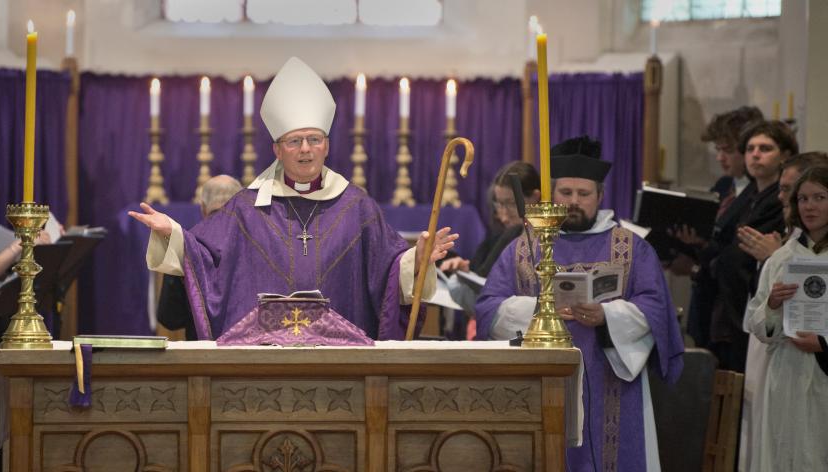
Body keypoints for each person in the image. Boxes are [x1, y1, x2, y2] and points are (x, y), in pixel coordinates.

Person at [130, 57, 456, 340]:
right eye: (294, 141)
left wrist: (416, 261)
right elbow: (206, 255)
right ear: (276, 149)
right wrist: (171, 232)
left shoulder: (358, 207)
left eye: (314, 139)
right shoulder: (246, 208)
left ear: (326, 146)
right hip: (263, 358)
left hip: (341, 360)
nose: (305, 150)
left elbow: (386, 270)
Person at [475, 136, 684, 472]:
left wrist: (607, 315)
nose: (574, 201)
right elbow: (489, 307)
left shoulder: (630, 246)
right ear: (552, 196)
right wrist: (541, 310)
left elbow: (655, 307)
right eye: (565, 193)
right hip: (540, 382)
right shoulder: (525, 245)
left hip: (612, 380)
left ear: (600, 196)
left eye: (583, 194)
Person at [737, 152, 827, 472]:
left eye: (819, 197)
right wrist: (774, 306)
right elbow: (757, 324)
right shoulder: (782, 258)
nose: (809, 206)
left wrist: (824, 343)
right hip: (786, 373)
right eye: (802, 198)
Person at [706, 120, 796, 372]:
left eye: (765, 148)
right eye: (750, 148)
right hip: (728, 306)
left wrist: (772, 256)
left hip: (755, 311)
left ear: (785, 155)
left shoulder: (783, 207)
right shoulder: (747, 198)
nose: (755, 154)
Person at [672, 106, 763, 348]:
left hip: (730, 310)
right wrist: (693, 242)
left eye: (727, 150)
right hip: (706, 302)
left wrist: (693, 267)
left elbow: (735, 255)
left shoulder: (759, 193)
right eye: (718, 149)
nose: (720, 157)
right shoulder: (724, 186)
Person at [438, 161, 540, 338]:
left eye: (510, 204)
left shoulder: (549, 239)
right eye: (499, 204)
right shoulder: (502, 237)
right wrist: (466, 274)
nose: (502, 214)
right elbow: (483, 288)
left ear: (535, 197)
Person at [156, 175, 242, 340]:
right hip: (249, 356)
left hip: (200, 357)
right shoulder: (257, 244)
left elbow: (170, 319)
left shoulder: (185, 245)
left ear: (202, 208)